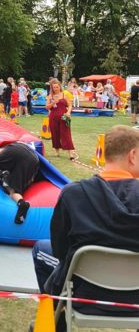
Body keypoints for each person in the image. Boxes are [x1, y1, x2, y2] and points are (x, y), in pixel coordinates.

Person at [32, 126, 139, 325]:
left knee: (41, 249)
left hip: (84, 294)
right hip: (135, 297)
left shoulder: (73, 194)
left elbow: (60, 250)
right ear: (132, 155)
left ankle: (51, 324)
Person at [0, 142, 40, 224]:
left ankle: (1, 174)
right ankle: (21, 203)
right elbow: (31, 179)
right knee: (13, 191)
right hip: (34, 160)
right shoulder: (27, 148)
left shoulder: (9, 147)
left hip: (16, 151)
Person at [45, 79, 76, 160]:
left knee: (66, 134)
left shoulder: (64, 95)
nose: (56, 89)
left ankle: (71, 154)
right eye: (54, 87)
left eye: (57, 87)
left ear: (60, 87)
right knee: (55, 134)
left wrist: (68, 112)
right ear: (52, 88)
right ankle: (57, 152)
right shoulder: (50, 96)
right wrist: (53, 102)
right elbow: (47, 107)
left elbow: (70, 105)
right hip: (53, 117)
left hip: (64, 117)